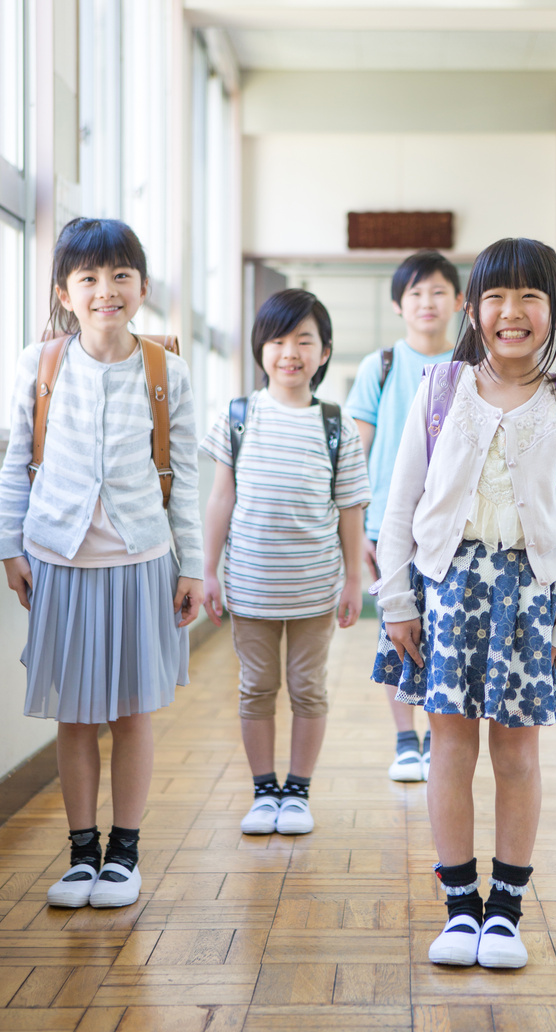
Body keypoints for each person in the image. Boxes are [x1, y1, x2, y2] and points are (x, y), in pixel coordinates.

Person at [372, 237, 556, 969]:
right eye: (496, 297)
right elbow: (401, 502)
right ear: (473, 310)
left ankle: (505, 910)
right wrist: (395, 598)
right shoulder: (440, 388)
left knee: (518, 754)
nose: (512, 312)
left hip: (530, 599)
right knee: (450, 748)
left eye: (531, 297)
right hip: (444, 593)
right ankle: (459, 906)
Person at [0, 217, 204, 910]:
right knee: (75, 717)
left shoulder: (164, 368)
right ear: (65, 290)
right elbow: (16, 465)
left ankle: (125, 852)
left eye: (120, 276)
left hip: (141, 559)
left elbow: (186, 476)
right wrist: (9, 547)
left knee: (133, 714)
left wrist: (192, 567)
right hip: (59, 559)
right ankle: (81, 851)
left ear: (142, 287)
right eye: (88, 278)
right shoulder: (41, 363)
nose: (105, 290)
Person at [201, 289, 369, 837]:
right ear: (260, 348)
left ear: (324, 353)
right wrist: (207, 571)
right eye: (278, 340)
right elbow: (220, 498)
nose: (290, 352)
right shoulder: (238, 417)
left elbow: (350, 511)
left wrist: (352, 580)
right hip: (250, 585)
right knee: (255, 687)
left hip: (315, 587)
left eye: (304, 340)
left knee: (307, 688)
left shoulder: (337, 426)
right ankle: (262, 790)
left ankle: (297, 792)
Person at [346, 250, 463, 782]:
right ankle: (404, 740)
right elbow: (357, 448)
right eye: (415, 293)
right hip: (387, 529)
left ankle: (439, 736)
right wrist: (360, 526)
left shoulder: (469, 363)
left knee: (447, 632)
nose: (427, 302)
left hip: (453, 526)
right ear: (398, 305)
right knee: (394, 630)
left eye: (438, 291)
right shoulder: (381, 366)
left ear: (459, 301)